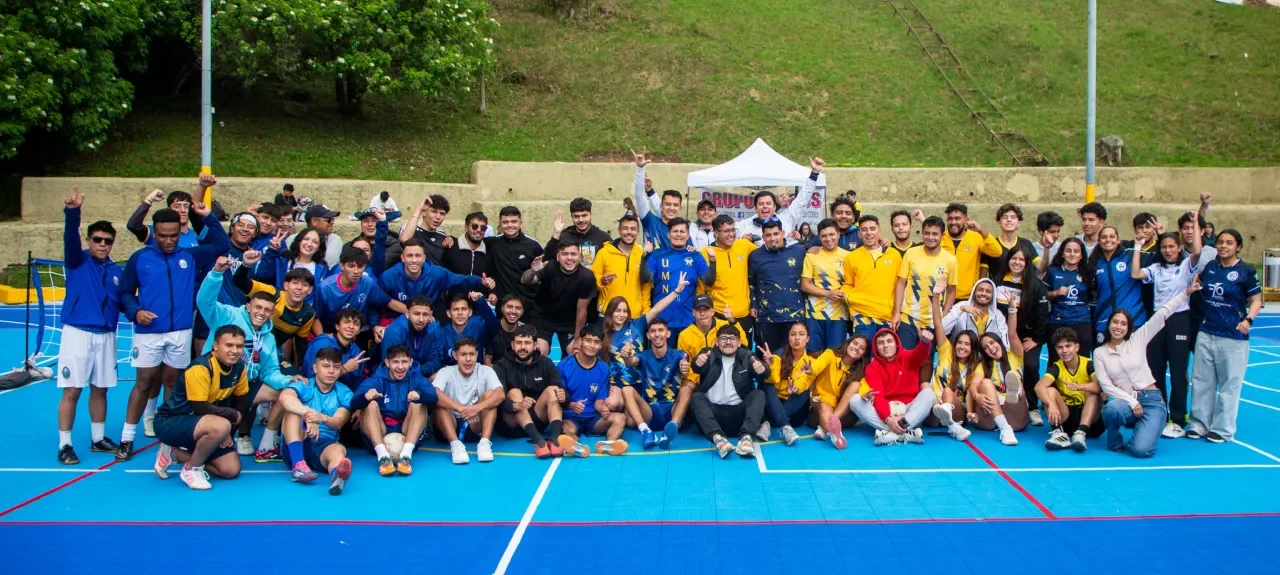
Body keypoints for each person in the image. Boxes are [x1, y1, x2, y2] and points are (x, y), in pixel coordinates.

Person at [117, 194, 230, 462]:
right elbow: (124, 292)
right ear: (154, 233)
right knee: (143, 383)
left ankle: (168, 439)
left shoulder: (190, 256)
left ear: (180, 232)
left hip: (180, 331)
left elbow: (222, 243)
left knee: (173, 383)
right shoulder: (139, 258)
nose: (168, 240)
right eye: (162, 235)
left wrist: (206, 215)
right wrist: (136, 312)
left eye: (173, 235)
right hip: (148, 332)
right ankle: (126, 438)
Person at [197, 258, 299, 461]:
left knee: (285, 392)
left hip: (245, 384)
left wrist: (289, 380)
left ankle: (266, 444)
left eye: (267, 310)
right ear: (249, 306)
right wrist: (216, 274)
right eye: (258, 307)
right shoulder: (228, 315)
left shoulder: (268, 337)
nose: (262, 313)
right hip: (216, 383)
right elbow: (204, 302)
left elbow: (269, 372)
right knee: (211, 441)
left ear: (272, 314)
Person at [56, 189, 123, 464]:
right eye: (97, 240)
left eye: (107, 241)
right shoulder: (77, 261)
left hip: (106, 335)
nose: (102, 244)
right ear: (88, 240)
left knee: (101, 388)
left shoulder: (117, 271)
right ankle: (65, 444)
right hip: (78, 334)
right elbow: (69, 237)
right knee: (73, 389)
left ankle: (97, 438)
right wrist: (73, 213)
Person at [1097, 278, 1199, 457]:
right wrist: (1132, 401)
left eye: (1123, 324)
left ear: (1129, 328)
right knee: (1111, 410)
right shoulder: (1100, 352)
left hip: (1151, 400)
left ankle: (1147, 425)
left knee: (1140, 450)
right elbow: (1106, 386)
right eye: (1115, 322)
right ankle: (1114, 439)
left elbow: (1163, 313)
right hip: (1127, 401)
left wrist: (1186, 293)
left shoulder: (1138, 339)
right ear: (1109, 324)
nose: (1118, 327)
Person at [1132, 214, 1212, 438]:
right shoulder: (1156, 268)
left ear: (1179, 248)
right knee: (1155, 370)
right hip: (1158, 319)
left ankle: (1178, 418)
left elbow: (1196, 249)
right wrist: (1137, 246)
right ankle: (1160, 413)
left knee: (1177, 371)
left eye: (1172, 246)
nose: (1168, 250)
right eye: (1164, 247)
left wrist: (1197, 222)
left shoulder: (1187, 265)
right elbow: (1135, 273)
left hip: (1179, 319)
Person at [151, 325, 249, 490]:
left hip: (204, 423)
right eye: (229, 345)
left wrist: (229, 432)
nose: (235, 350)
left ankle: (175, 454)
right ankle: (192, 469)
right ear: (215, 346)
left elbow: (241, 399)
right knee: (220, 426)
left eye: (239, 346)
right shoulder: (201, 368)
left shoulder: (239, 367)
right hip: (170, 421)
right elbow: (199, 406)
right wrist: (229, 420)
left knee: (230, 470)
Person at [1188, 229, 1262, 443]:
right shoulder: (1211, 267)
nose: (1223, 246)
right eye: (1220, 242)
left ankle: (1222, 429)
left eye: (1229, 243)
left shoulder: (1246, 271)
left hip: (1233, 336)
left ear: (1238, 246)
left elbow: (1256, 299)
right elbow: (1199, 285)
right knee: (1201, 381)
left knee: (1230, 383)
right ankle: (1199, 424)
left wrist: (1248, 320)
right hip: (1207, 331)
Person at [276, 347, 355, 494]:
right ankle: (298, 465)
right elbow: (284, 397)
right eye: (326, 366)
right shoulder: (305, 384)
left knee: (339, 450)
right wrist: (308, 415)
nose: (331, 371)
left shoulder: (345, 393)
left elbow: (339, 421)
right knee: (293, 412)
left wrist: (322, 418)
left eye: (336, 367)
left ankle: (337, 476)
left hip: (324, 444)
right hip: (300, 438)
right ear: (315, 368)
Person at [351, 345, 436, 476]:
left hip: (407, 431)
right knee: (370, 404)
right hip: (381, 431)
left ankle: (406, 457)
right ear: (387, 363)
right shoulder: (377, 378)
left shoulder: (415, 377)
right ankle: (383, 457)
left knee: (418, 404)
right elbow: (354, 401)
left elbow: (433, 397)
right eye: (396, 362)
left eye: (404, 362)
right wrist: (365, 397)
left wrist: (419, 395)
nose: (400, 367)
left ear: (411, 362)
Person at [689, 325, 768, 458]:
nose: (728, 342)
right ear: (716, 342)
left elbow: (762, 372)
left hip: (739, 415)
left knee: (759, 394)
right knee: (696, 396)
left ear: (739, 343)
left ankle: (746, 439)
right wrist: (698, 362)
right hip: (713, 416)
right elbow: (697, 366)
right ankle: (718, 440)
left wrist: (763, 369)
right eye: (723, 338)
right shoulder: (709, 354)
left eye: (732, 339)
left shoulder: (747, 356)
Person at [848, 327, 936, 446]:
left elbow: (920, 354)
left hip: (909, 410)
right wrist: (888, 420)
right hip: (887, 411)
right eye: (881, 343)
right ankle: (904, 432)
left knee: (928, 393)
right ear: (876, 348)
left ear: (897, 343)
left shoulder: (907, 357)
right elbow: (878, 396)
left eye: (889, 341)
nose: (885, 345)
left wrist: (925, 342)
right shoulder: (872, 367)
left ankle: (894, 432)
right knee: (855, 401)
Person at [600, 273, 688, 391]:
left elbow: (657, 308)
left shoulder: (636, 325)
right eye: (617, 311)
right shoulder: (603, 334)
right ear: (610, 312)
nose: (621, 315)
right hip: (615, 384)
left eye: (625, 311)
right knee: (611, 404)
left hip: (641, 382)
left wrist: (677, 291)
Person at [994, 250, 1049, 426]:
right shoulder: (998, 280)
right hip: (1000, 333)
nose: (1017, 262)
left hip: (1026, 336)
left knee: (1031, 365)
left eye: (1021, 259)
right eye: (1014, 258)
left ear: (1027, 263)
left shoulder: (1036, 286)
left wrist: (1036, 339)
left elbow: (1042, 315)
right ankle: (1001, 401)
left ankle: (1032, 406)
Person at [555, 326, 628, 456]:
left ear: (600, 346)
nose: (592, 345)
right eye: (588, 340)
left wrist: (603, 409)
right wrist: (572, 405)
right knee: (566, 429)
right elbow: (558, 398)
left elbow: (599, 402)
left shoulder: (603, 368)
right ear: (580, 341)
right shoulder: (564, 365)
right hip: (571, 416)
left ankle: (608, 444)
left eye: (596, 342)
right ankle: (577, 448)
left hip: (594, 418)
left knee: (620, 418)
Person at [495, 325, 566, 458]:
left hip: (537, 418)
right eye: (519, 343)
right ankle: (539, 442)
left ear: (535, 345)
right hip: (511, 424)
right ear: (512, 344)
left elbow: (560, 390)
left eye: (527, 343)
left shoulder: (546, 363)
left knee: (554, 390)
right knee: (514, 392)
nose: (522, 347)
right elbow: (497, 399)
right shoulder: (501, 365)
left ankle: (556, 440)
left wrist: (563, 396)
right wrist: (516, 405)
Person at [381, 238, 493, 322]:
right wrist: (375, 324)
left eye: (418, 256)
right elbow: (377, 300)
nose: (414, 260)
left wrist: (480, 282)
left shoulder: (436, 273)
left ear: (424, 258)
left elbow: (461, 280)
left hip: (427, 321)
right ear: (402, 258)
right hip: (397, 320)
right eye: (410, 256)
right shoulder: (389, 276)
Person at [618, 318, 688, 450]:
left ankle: (671, 429)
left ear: (668, 333)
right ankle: (646, 432)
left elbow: (684, 363)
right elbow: (630, 362)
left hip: (672, 409)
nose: (657, 334)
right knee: (627, 390)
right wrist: (626, 356)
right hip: (650, 412)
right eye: (653, 331)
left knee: (687, 389)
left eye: (661, 330)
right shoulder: (643, 356)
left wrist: (685, 367)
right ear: (648, 336)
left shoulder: (679, 356)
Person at [432, 338, 504, 464]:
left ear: (477, 355)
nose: (468, 359)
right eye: (463, 354)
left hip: (475, 425)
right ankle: (455, 445)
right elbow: (435, 393)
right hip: (450, 425)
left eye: (472, 354)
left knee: (490, 395)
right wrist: (460, 408)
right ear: (455, 356)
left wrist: (476, 408)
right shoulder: (445, 372)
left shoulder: (486, 370)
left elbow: (500, 394)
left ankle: (484, 443)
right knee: (440, 403)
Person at [645, 218, 715, 346]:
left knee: (686, 362)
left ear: (688, 235)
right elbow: (645, 278)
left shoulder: (695, 255)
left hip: (688, 321)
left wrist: (713, 262)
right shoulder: (657, 254)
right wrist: (645, 256)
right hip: (662, 322)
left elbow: (708, 281)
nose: (678, 234)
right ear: (668, 234)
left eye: (682, 231)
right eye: (675, 231)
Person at [522, 240, 598, 357]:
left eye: (573, 254)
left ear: (580, 256)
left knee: (576, 354)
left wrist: (577, 339)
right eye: (564, 254)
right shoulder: (549, 267)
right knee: (538, 353)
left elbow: (581, 310)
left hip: (569, 321)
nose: (569, 258)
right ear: (558, 257)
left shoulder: (586, 276)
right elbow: (526, 281)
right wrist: (533, 271)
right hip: (542, 317)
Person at [892, 216, 957, 350]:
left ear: (942, 235)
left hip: (933, 321)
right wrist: (897, 312)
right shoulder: (911, 253)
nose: (930, 237)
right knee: (905, 357)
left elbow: (951, 291)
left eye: (935, 234)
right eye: (927, 233)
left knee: (927, 361)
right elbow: (900, 283)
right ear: (922, 233)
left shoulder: (950, 260)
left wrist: (942, 316)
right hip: (908, 318)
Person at [925, 282, 978, 442]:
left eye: (967, 344)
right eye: (960, 342)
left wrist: (971, 411)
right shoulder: (946, 350)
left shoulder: (975, 365)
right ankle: (951, 426)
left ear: (972, 348)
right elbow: (938, 323)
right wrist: (935, 297)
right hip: (934, 409)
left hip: (957, 411)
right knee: (925, 387)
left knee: (948, 392)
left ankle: (949, 416)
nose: (962, 346)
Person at [967, 300, 1026, 446]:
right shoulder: (984, 365)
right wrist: (977, 396)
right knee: (986, 383)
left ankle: (1014, 392)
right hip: (990, 417)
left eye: (992, 343)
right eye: (986, 348)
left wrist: (1012, 310)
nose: (991, 348)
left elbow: (1012, 334)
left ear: (1000, 342)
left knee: (1019, 387)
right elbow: (973, 384)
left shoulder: (1015, 355)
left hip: (1015, 414)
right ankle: (1004, 428)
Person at [1035, 328, 1103, 452]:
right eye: (1060, 347)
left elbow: (1100, 387)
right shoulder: (1057, 367)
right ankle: (1058, 434)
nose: (1064, 351)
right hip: (1068, 420)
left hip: (1092, 422)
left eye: (1068, 346)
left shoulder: (1089, 364)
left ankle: (1081, 433)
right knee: (1049, 391)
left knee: (1092, 391)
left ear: (1077, 347)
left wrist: (1080, 387)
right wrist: (1051, 404)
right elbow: (1039, 387)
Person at [748, 219, 808, 352]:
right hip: (768, 316)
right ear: (763, 237)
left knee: (792, 355)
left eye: (776, 234)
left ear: (783, 233)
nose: (772, 238)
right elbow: (751, 283)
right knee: (769, 355)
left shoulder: (799, 250)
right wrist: (753, 304)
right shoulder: (755, 256)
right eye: (768, 235)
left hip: (795, 315)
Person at [313, 246, 399, 335]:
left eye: (360, 266)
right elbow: (315, 318)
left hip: (355, 332)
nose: (356, 271)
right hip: (329, 332)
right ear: (342, 266)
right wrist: (323, 338)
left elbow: (389, 302)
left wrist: (410, 312)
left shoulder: (367, 283)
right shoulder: (324, 288)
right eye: (351, 266)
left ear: (365, 267)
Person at [736, 157, 822, 245]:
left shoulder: (785, 220)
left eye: (768, 203)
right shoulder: (745, 226)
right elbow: (725, 233)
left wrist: (814, 174)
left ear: (774, 207)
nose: (765, 206)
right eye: (761, 204)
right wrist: (741, 241)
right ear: (755, 208)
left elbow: (802, 201)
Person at [1090, 226, 1154, 346]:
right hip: (1104, 320)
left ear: (1118, 240)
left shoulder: (1131, 256)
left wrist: (1160, 235)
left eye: (1112, 237)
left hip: (1134, 319)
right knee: (1104, 361)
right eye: (1103, 237)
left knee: (1132, 362)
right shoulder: (1094, 262)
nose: (1108, 240)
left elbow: (1160, 257)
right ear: (1099, 241)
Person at [700, 214, 757, 343]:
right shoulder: (705, 253)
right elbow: (700, 288)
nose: (731, 234)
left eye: (733, 230)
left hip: (744, 315)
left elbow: (766, 253)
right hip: (719, 315)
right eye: (726, 231)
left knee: (744, 356)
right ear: (716, 233)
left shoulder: (744, 245)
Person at [808, 334, 872, 449]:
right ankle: (836, 434)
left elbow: (864, 387)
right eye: (855, 343)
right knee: (824, 406)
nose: (857, 348)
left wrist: (866, 395)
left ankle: (828, 426)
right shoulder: (830, 355)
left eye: (862, 348)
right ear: (848, 343)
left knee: (856, 385)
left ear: (863, 355)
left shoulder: (860, 371)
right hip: (819, 410)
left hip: (844, 415)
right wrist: (811, 369)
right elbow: (817, 365)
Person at [841, 215, 899, 340]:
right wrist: (848, 298)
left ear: (879, 231)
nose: (869, 233)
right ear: (859, 234)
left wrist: (897, 313)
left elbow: (899, 285)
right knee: (862, 354)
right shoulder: (852, 257)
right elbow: (848, 284)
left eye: (872, 229)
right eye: (864, 229)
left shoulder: (893, 255)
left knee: (883, 355)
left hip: (886, 315)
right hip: (861, 314)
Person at [758, 323, 814, 446]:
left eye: (801, 334)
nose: (797, 338)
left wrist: (796, 387)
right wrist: (770, 364)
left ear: (808, 338)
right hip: (774, 403)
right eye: (793, 334)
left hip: (794, 411)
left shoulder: (809, 362)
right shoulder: (778, 355)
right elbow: (774, 380)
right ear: (788, 337)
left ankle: (768, 422)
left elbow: (804, 382)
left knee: (804, 392)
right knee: (767, 384)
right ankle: (785, 426)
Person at [800, 219, 850, 352]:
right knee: (813, 354)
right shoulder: (812, 255)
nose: (828, 239)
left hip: (839, 314)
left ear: (838, 234)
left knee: (834, 355)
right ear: (819, 237)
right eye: (824, 236)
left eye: (832, 234)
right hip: (814, 313)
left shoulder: (849, 257)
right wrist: (828, 293)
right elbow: (805, 285)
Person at [1043, 237, 1095, 364]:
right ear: (1062, 253)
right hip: (1058, 321)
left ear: (1082, 255)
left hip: (1082, 321)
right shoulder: (1053, 271)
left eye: (1076, 251)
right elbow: (1043, 295)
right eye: (1068, 250)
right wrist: (1055, 293)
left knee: (1083, 361)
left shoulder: (1088, 272)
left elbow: (1092, 296)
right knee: (1056, 361)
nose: (1072, 254)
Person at [485, 206, 543, 319]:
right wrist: (451, 239)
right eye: (505, 222)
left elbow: (543, 274)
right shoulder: (493, 244)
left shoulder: (533, 246)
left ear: (520, 222)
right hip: (504, 307)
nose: (510, 225)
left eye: (514, 221)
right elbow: (472, 241)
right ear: (500, 224)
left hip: (529, 307)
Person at [422, 294, 500, 374]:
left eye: (464, 309)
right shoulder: (442, 333)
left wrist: (480, 302)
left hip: (476, 374)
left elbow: (495, 329)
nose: (460, 313)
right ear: (448, 313)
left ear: (470, 312)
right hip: (451, 375)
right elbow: (437, 360)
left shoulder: (478, 324)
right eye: (455, 309)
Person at [940, 203, 1002, 301]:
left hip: (967, 297)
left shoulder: (975, 237)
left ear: (966, 220)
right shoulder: (941, 237)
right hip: (942, 296)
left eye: (957, 218)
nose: (953, 222)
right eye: (950, 219)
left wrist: (981, 230)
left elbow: (996, 251)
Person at [594, 214, 651, 320]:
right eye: (625, 228)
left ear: (638, 232)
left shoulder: (642, 254)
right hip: (607, 316)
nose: (629, 232)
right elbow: (592, 280)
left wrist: (645, 313)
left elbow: (645, 288)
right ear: (619, 230)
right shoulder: (604, 253)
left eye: (633, 229)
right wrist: (601, 281)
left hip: (634, 317)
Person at [257, 226, 332, 303]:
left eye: (315, 242)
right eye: (306, 239)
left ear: (319, 247)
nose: (309, 244)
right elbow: (262, 274)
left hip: (306, 312)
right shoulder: (283, 261)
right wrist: (272, 251)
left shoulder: (323, 269)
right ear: (299, 241)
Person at [303, 308, 371, 390]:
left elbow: (358, 383)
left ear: (359, 331)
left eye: (356, 324)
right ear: (337, 326)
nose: (351, 326)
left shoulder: (357, 352)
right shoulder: (322, 343)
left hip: (344, 396)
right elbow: (312, 380)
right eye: (346, 322)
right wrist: (344, 369)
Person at [442, 212, 497, 308]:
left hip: (479, 305)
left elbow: (492, 275)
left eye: (483, 228)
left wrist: (492, 292)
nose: (479, 230)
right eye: (474, 226)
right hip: (453, 306)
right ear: (466, 227)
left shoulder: (489, 251)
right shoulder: (451, 248)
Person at [632, 148, 682, 249]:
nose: (671, 208)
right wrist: (640, 169)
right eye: (668, 204)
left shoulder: (683, 230)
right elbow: (639, 197)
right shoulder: (650, 221)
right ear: (661, 206)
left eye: (675, 205)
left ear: (680, 208)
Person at [126, 184, 204, 249]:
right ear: (169, 210)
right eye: (177, 206)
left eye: (186, 206)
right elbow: (133, 226)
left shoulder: (197, 235)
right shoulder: (157, 232)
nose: (182, 210)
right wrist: (148, 200)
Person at [544, 200, 613, 268]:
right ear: (571, 217)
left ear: (591, 215)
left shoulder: (603, 237)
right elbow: (546, 259)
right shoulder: (564, 236)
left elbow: (612, 262)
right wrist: (556, 233)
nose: (581, 220)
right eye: (576, 216)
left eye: (584, 215)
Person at [940, 278, 1009, 346]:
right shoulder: (961, 306)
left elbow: (1005, 343)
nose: (984, 293)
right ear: (974, 292)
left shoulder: (998, 315)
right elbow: (942, 330)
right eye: (980, 290)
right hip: (960, 353)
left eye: (988, 291)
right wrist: (961, 310)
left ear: (993, 296)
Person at [379, 296, 439, 370]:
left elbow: (435, 361)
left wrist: (418, 374)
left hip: (421, 374)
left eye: (425, 314)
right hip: (398, 376)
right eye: (416, 314)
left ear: (430, 315)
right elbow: (389, 366)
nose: (421, 319)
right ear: (407, 313)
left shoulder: (434, 328)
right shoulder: (394, 331)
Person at [985, 203, 1039, 283]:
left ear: (1019, 222)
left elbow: (1041, 267)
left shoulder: (1026, 243)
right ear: (999, 222)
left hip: (1023, 291)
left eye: (1013, 217)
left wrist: (1047, 249)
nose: (1009, 220)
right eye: (1005, 217)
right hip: (998, 291)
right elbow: (982, 274)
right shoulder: (991, 244)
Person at [397, 195, 450, 266]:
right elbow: (404, 239)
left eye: (442, 213)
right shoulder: (409, 229)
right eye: (434, 212)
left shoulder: (441, 234)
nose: (438, 217)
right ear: (424, 212)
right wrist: (419, 210)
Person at [487, 295, 526, 366]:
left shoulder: (526, 331)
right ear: (502, 309)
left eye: (518, 308)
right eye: (509, 307)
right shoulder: (491, 328)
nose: (513, 311)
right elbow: (487, 359)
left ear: (522, 311)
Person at [1032, 211, 1064, 277]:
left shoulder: (1062, 247)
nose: (1056, 235)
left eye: (1058, 231)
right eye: (1052, 232)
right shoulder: (1032, 248)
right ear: (1041, 231)